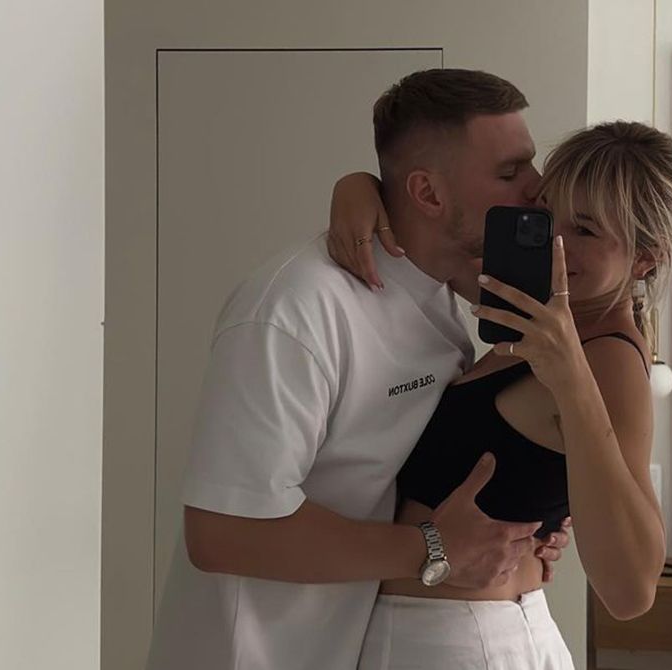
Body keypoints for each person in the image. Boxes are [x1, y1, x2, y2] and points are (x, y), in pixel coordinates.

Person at [145, 69, 572, 670]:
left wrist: (527, 525)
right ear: (428, 194)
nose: (537, 187)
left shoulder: (447, 293)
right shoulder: (293, 309)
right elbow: (220, 533)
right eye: (510, 172)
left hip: (358, 646)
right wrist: (433, 547)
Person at [326, 120, 672, 669]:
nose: (557, 242)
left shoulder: (605, 359)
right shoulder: (540, 310)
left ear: (646, 257)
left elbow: (632, 591)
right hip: (447, 635)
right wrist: (356, 186)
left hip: (462, 639)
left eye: (586, 229)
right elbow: (424, 232)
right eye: (548, 214)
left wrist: (571, 379)